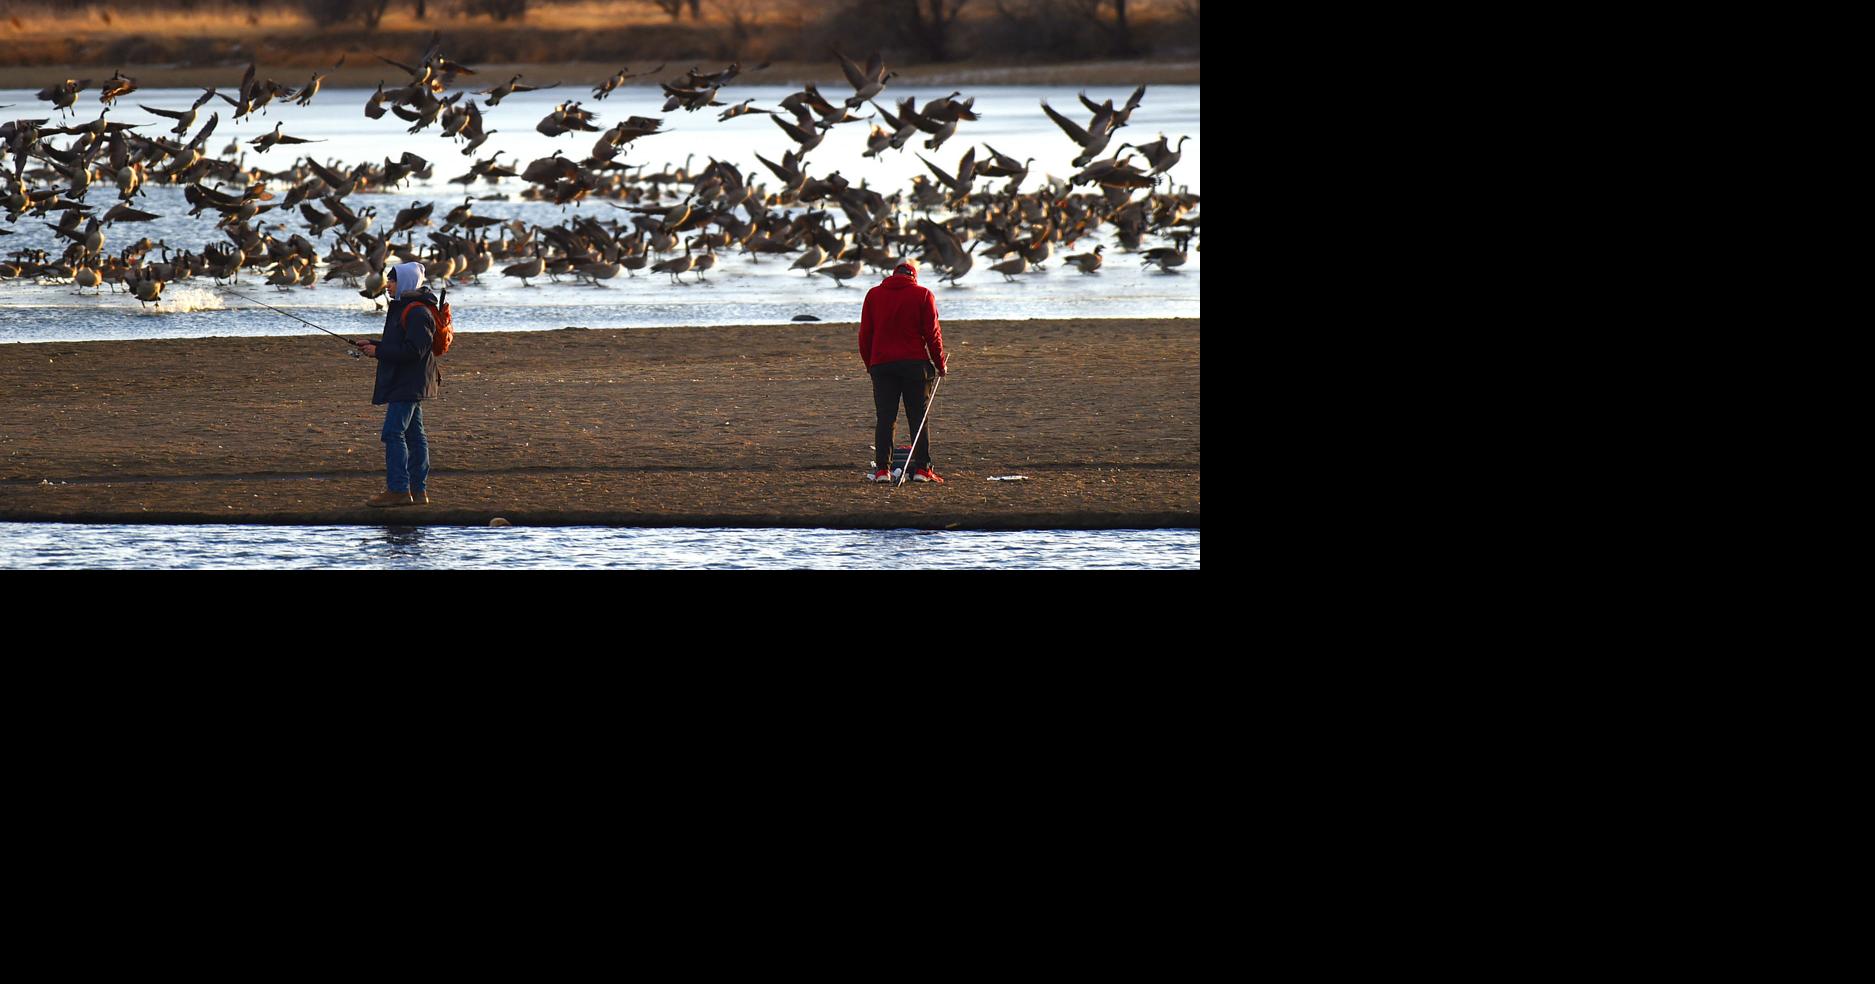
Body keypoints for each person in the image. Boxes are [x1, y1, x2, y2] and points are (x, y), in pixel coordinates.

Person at [858, 259, 948, 483]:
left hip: (882, 366)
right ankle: (922, 470)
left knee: (886, 418)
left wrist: (871, 364)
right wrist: (940, 364)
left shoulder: (873, 295)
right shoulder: (924, 294)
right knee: (918, 418)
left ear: (893, 274)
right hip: (915, 366)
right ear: (914, 276)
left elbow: (865, 335)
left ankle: (882, 471)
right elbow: (932, 335)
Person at [359, 261, 440, 507]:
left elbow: (414, 351)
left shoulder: (417, 312)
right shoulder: (405, 308)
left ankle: (399, 490)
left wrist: (379, 352)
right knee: (415, 436)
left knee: (393, 432)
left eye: (392, 280)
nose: (388, 285)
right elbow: (404, 345)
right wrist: (375, 344)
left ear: (404, 282)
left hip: (410, 382)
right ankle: (418, 492)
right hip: (410, 381)